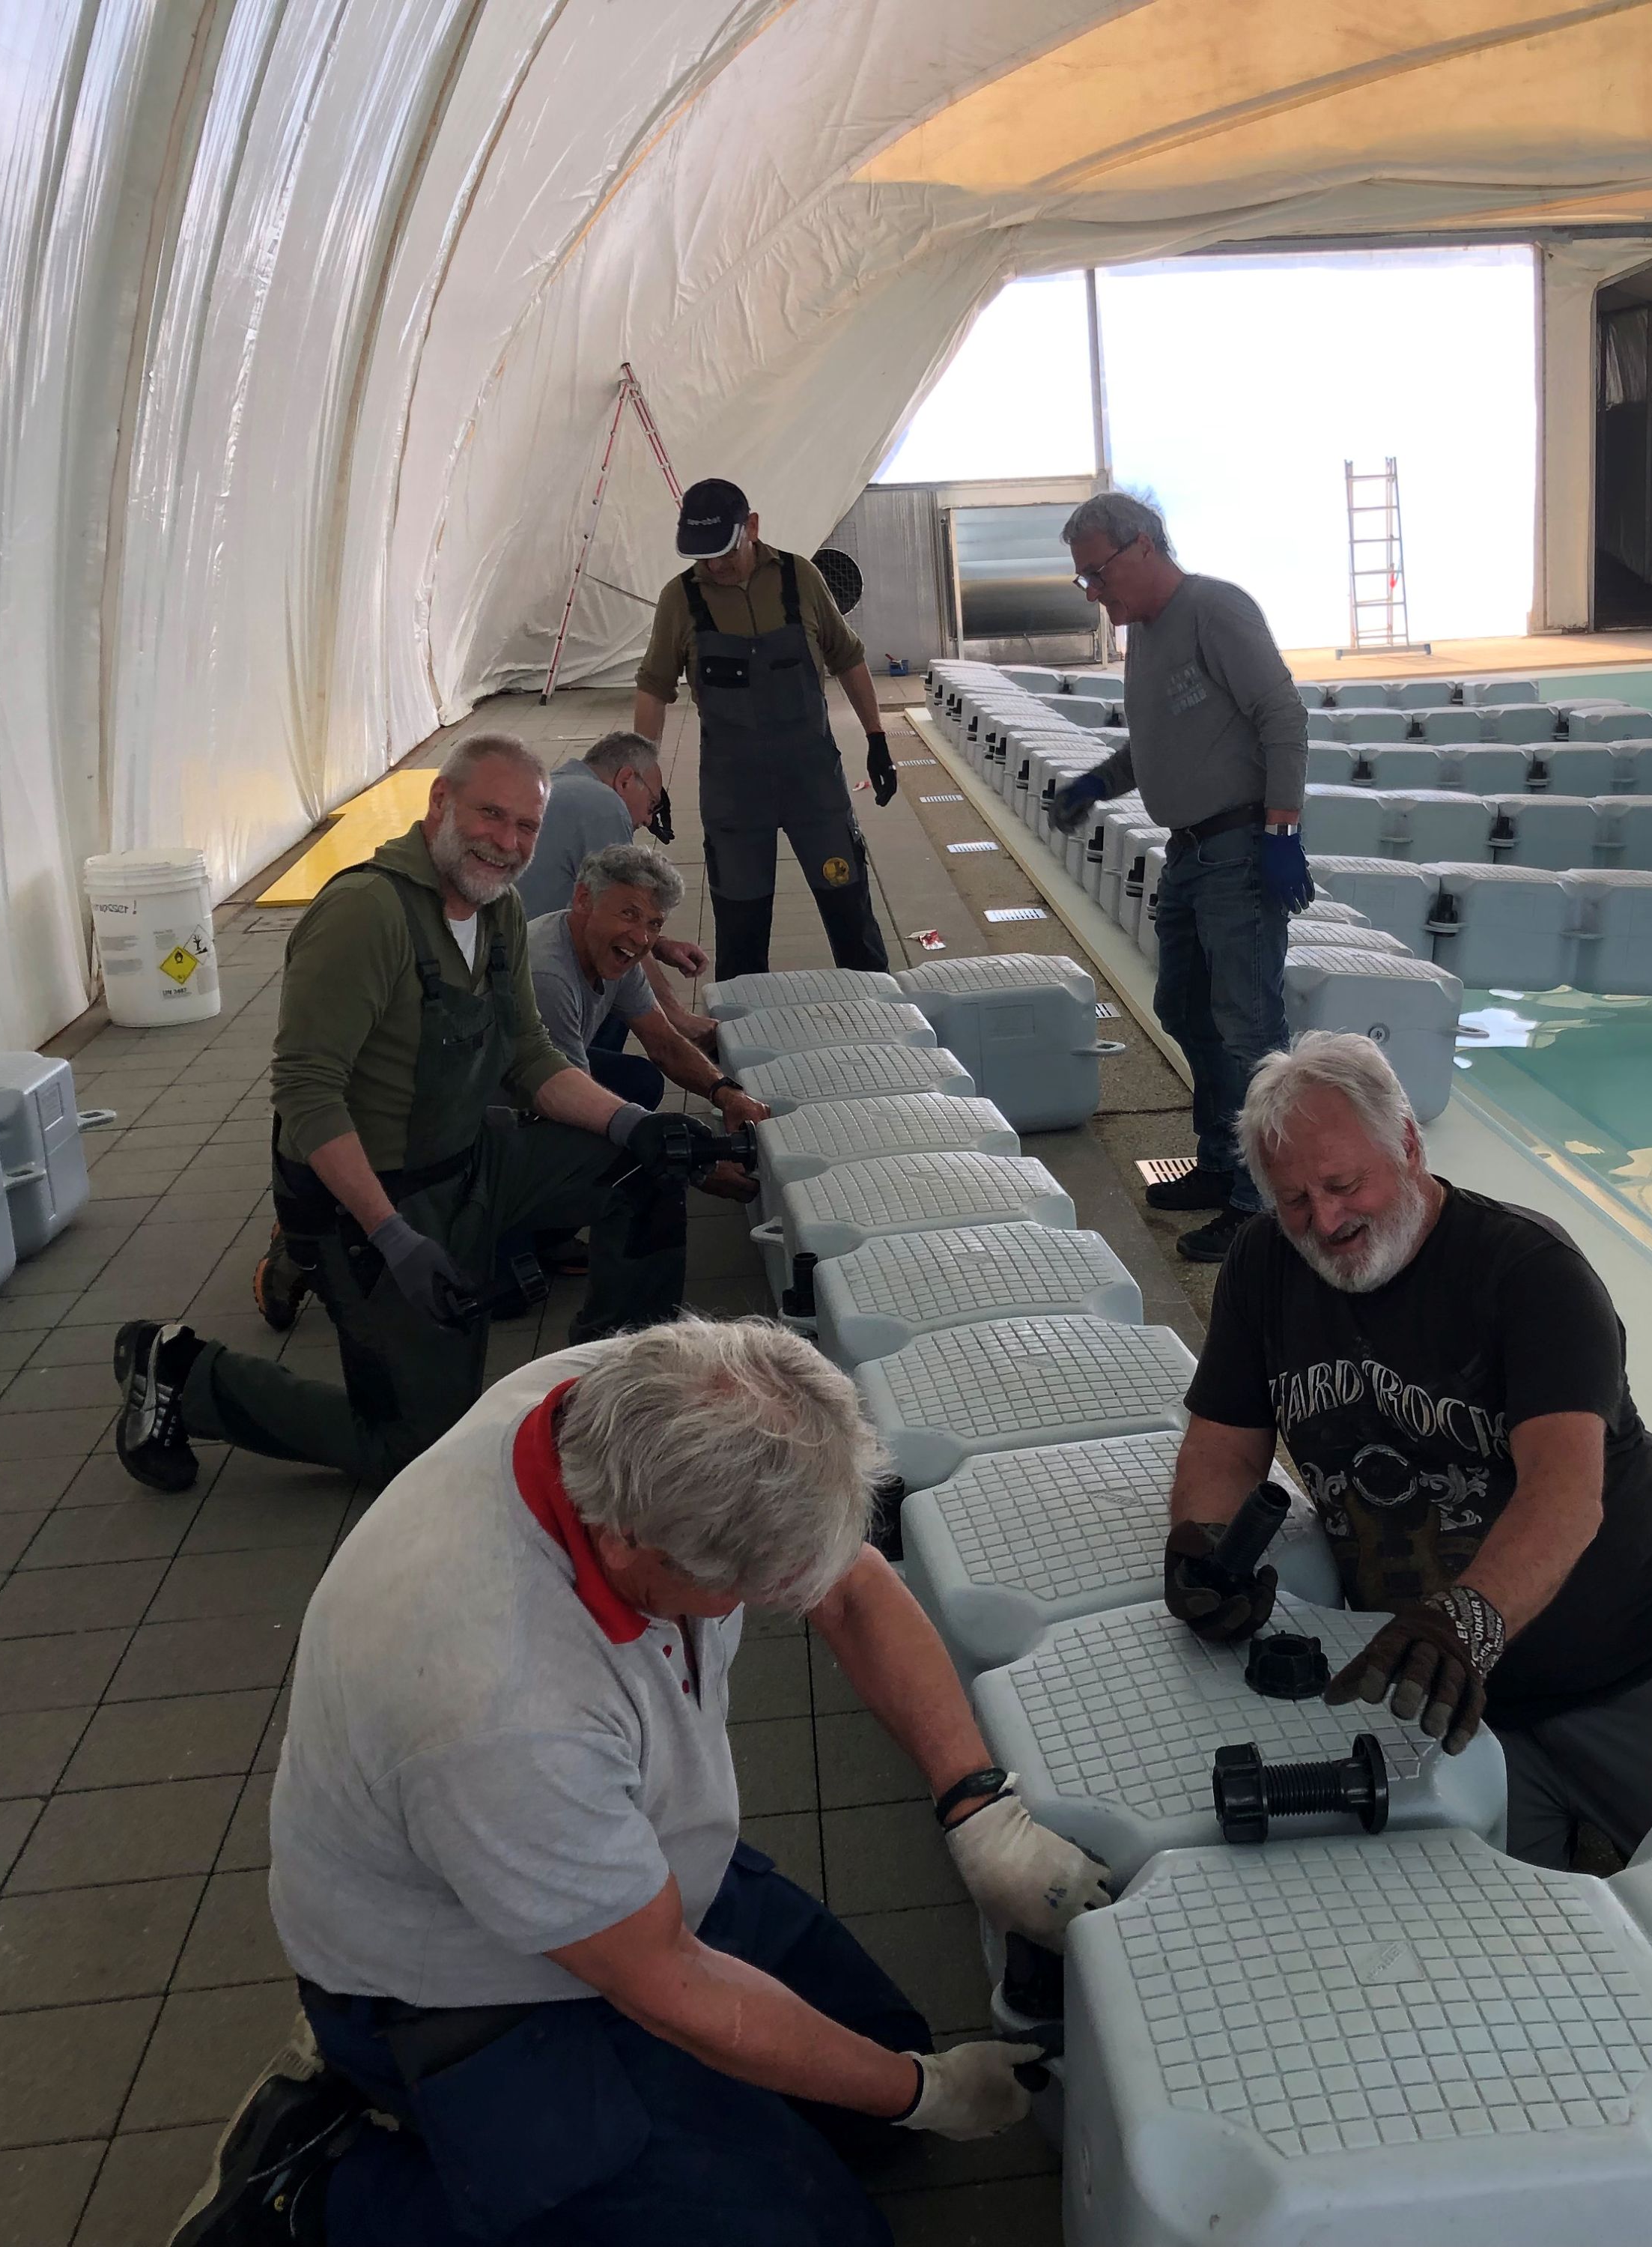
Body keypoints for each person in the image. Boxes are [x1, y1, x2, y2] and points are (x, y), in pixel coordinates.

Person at [171, 1318, 1111, 2247]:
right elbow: (668, 1980)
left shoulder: (649, 1396)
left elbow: (848, 1584)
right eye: (751, 1589)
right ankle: (324, 2186)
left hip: (621, 1860)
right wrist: (923, 2091)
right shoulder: (497, 1701)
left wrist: (977, 1809)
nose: (780, 1603)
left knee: (869, 2069)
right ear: (631, 1547)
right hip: (478, 1979)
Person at [1163, 1032, 1652, 1872]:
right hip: (1433, 1682)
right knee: (1482, 1926)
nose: (1326, 1221)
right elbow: (1225, 1442)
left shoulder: (1529, 1271)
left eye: (1343, 1185)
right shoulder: (1263, 1262)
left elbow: (1565, 1493)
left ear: (1408, 1144)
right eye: (1294, 1200)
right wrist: (1203, 1545)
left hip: (1628, 1662)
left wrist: (1469, 1621)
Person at [114, 735, 719, 1496]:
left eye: (526, 826)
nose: (506, 842)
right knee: (412, 1448)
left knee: (645, 1168)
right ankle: (182, 1369)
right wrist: (393, 1236)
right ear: (439, 803)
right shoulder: (365, 914)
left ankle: (614, 1401)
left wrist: (633, 1125)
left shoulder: (498, 910)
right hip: (371, 1199)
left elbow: (529, 1056)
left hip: (470, 1161)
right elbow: (305, 1092)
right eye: (490, 814)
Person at [1048, 491, 1312, 1263]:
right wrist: (1097, 783)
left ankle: (1262, 1206)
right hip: (1192, 852)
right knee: (1186, 1009)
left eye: (1097, 574)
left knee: (1248, 1026)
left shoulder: (1214, 611)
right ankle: (1222, 1161)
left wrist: (1282, 832)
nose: (1093, 593)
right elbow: (1157, 744)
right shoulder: (1146, 636)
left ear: (1143, 546)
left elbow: (1283, 716)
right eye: (1083, 580)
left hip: (1239, 848)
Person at [632, 478, 896, 981]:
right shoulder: (680, 600)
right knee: (741, 939)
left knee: (853, 920)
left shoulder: (801, 578)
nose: (715, 566)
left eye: (725, 552)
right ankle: (742, 1031)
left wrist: (877, 738)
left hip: (815, 785)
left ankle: (880, 1018)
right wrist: (648, 777)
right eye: (704, 556)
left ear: (751, 527)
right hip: (734, 796)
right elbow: (653, 690)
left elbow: (848, 658)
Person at [528, 837, 767, 1180]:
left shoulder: (613, 952)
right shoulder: (548, 977)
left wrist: (728, 1093)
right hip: (497, 1110)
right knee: (651, 1180)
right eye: (629, 914)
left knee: (641, 1080)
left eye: (654, 924)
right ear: (583, 899)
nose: (642, 939)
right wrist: (697, 1167)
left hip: (552, 1073)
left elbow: (665, 1043)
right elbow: (570, 1102)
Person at [514, 730, 717, 1057]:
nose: (648, 819)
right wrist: (680, 1019)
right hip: (536, 983)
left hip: (511, 962)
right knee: (617, 972)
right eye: (652, 805)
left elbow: (586, 903)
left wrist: (660, 945)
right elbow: (623, 918)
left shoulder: (561, 786)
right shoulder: (602, 803)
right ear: (625, 780)